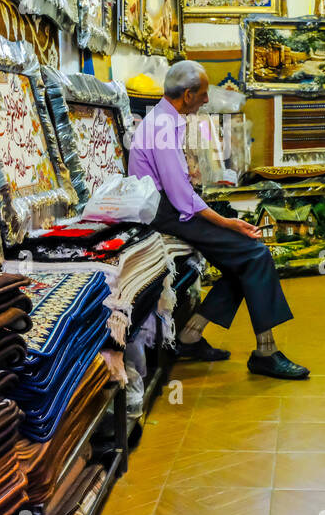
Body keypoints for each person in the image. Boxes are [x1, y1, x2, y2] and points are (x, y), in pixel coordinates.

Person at [130, 61, 309, 380]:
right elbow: (180, 196)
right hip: (163, 212)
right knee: (255, 254)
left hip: (168, 206)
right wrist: (227, 223)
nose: (207, 100)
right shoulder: (161, 127)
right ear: (187, 95)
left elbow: (182, 189)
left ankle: (189, 337)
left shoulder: (167, 119)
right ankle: (265, 353)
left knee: (244, 262)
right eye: (202, 93)